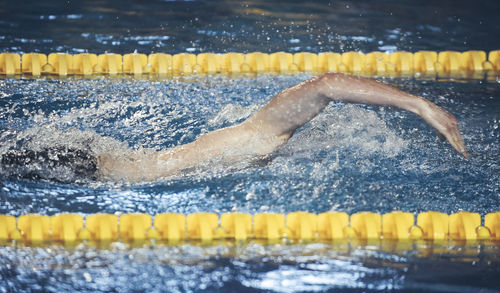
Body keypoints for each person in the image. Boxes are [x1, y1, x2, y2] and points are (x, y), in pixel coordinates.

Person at [97, 73, 468, 182]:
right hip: (106, 174)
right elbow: (327, 85)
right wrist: (418, 104)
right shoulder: (260, 136)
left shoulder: (270, 143)